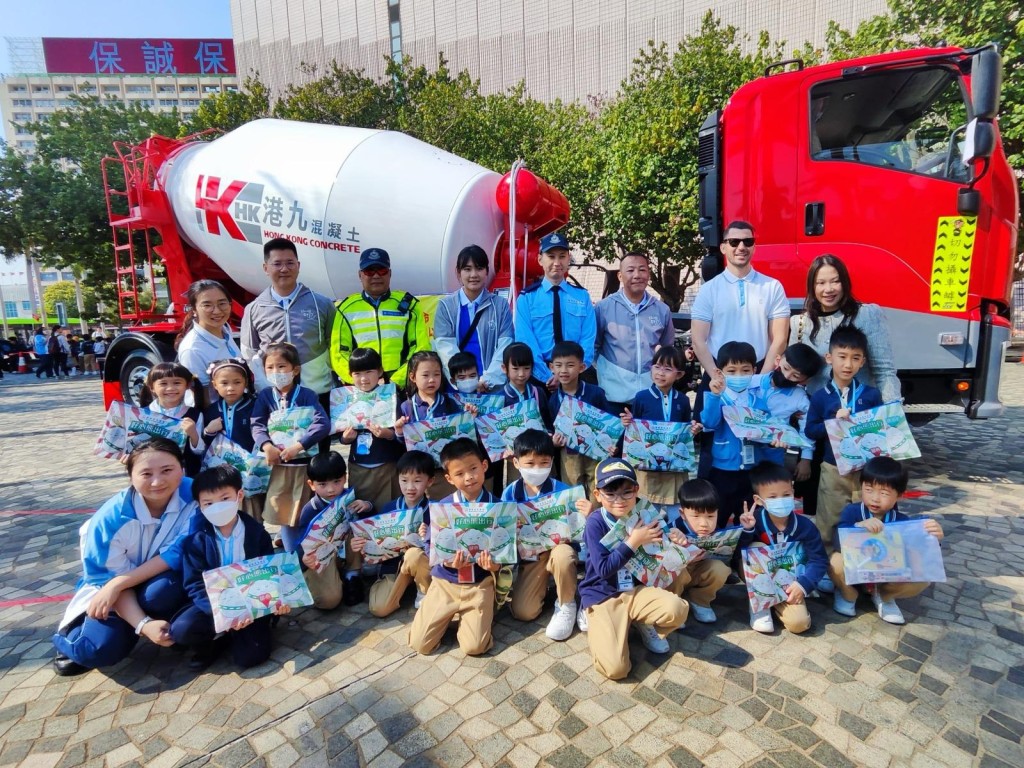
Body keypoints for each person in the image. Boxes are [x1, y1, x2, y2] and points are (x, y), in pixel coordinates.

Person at [52, 438, 198, 676]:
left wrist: (119, 583)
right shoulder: (109, 520)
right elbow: (106, 578)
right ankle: (68, 642)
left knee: (162, 592)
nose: (158, 481)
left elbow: (177, 553)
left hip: (150, 577)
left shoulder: (193, 494)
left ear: (182, 468)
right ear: (131, 476)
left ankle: (171, 623)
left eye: (167, 470)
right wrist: (143, 624)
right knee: (100, 649)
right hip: (110, 588)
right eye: (146, 473)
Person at [690, 221, 790, 476]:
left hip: (758, 371)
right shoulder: (709, 289)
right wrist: (717, 377)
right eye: (734, 242)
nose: (741, 247)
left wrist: (760, 379)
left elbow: (779, 338)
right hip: (718, 374)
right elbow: (699, 339)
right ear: (723, 247)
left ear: (754, 247)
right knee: (711, 443)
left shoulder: (772, 286)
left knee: (762, 442)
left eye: (748, 241)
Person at [578, 458, 689, 680]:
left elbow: (663, 554)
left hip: (638, 589)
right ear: (598, 494)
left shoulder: (646, 513)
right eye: (610, 494)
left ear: (636, 490)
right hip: (604, 594)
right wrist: (632, 542)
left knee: (677, 609)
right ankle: (596, 618)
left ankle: (642, 621)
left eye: (627, 492)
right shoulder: (595, 522)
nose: (619, 500)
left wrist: (677, 538)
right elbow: (602, 570)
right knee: (616, 670)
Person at [170, 465, 285, 669]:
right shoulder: (195, 541)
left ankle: (247, 634)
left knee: (250, 658)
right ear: (200, 506)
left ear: (239, 495)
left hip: (252, 605)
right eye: (208, 502)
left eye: (225, 499)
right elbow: (194, 584)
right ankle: (215, 641)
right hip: (215, 607)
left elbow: (268, 573)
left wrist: (274, 603)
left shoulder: (257, 533)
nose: (218, 507)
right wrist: (225, 614)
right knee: (182, 629)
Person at [408, 438, 501, 657]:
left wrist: (494, 565)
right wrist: (446, 560)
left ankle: (479, 615)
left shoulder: (499, 508)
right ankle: (444, 612)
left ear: (484, 466)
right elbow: (432, 547)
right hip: (445, 582)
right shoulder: (441, 509)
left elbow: (505, 552)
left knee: (475, 647)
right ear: (449, 478)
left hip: (479, 583)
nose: (469, 477)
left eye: (473, 469)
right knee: (420, 645)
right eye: (459, 474)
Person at [805, 326, 885, 566]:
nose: (848, 364)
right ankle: (829, 567)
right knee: (829, 519)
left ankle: (865, 565)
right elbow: (811, 430)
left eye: (855, 358)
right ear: (829, 358)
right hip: (832, 468)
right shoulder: (820, 396)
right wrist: (833, 424)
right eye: (842, 356)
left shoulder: (871, 395)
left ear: (863, 362)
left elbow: (881, 431)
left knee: (866, 515)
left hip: (865, 470)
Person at [830, 457, 943, 625]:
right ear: (861, 487)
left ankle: (885, 596)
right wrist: (857, 527)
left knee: (922, 576)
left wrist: (934, 538)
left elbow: (917, 550)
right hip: (856, 573)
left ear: (900, 495)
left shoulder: (902, 521)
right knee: (834, 561)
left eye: (884, 493)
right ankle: (848, 594)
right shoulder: (852, 511)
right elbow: (837, 540)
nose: (875, 498)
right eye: (869, 489)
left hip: (886, 576)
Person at [502, 430, 589, 641]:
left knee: (562, 555)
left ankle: (567, 603)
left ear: (551, 462)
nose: (537, 469)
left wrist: (588, 515)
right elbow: (503, 534)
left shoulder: (563, 491)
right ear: (516, 462)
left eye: (544, 462)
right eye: (530, 463)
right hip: (532, 557)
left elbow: (579, 534)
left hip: (558, 549)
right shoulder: (510, 493)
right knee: (523, 612)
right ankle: (550, 583)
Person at [251, 342, 331, 551]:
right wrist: (266, 445)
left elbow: (322, 423)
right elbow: (257, 423)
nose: (276, 372)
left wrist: (299, 446)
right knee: (285, 514)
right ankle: (291, 553)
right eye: (270, 367)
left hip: (303, 465)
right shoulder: (265, 396)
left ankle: (310, 549)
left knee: (304, 510)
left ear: (295, 370)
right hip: (278, 467)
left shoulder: (307, 395)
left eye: (282, 367)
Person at [240, 238, 336, 409]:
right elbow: (250, 352)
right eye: (277, 264)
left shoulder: (321, 303)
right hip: (274, 398)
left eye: (290, 263)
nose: (284, 269)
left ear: (298, 265)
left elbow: (333, 344)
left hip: (316, 393)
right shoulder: (254, 308)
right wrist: (264, 383)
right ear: (266, 268)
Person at [791, 254, 900, 402]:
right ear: (812, 287)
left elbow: (884, 371)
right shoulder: (800, 322)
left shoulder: (867, 315)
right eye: (821, 283)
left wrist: (892, 412)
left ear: (845, 283)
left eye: (835, 281)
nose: (828, 289)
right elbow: (792, 371)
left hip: (860, 409)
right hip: (817, 410)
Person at [743, 462, 829, 634]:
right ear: (758, 500)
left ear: (793, 493)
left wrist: (803, 585)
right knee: (754, 547)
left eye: (786, 494)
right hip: (760, 581)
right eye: (773, 497)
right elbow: (737, 554)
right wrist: (747, 530)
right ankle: (760, 606)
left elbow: (819, 560)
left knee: (799, 624)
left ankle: (778, 603)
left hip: (790, 582)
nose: (780, 500)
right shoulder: (756, 521)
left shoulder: (806, 526)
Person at [332, 247, 428, 390]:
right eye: (370, 271)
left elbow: (420, 348)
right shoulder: (345, 309)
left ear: (390, 273)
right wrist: (362, 380)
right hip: (361, 389)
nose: (376, 276)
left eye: (381, 270)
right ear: (360, 275)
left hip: (402, 387)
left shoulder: (409, 305)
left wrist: (398, 381)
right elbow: (338, 353)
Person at [620, 346, 703, 507]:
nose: (660, 373)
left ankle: (675, 532)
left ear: (679, 374)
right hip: (647, 466)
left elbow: (684, 434)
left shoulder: (683, 400)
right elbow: (635, 431)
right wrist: (628, 423)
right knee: (646, 509)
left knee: (675, 509)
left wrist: (692, 430)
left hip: (674, 467)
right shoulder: (642, 397)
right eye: (657, 367)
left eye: (667, 369)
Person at [514, 232, 597, 389]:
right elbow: (526, 340)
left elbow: (588, 337)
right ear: (540, 259)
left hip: (577, 378)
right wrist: (547, 375)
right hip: (541, 379)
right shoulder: (526, 298)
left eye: (562, 256)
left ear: (568, 259)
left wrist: (572, 372)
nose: (557, 262)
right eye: (551, 256)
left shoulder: (582, 296)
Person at [594, 252, 676, 410]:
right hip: (613, 395)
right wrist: (608, 371)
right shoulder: (603, 308)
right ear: (620, 276)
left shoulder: (662, 310)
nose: (637, 275)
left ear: (648, 274)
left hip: (651, 394)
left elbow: (667, 349)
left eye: (642, 270)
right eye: (630, 270)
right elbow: (594, 346)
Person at [292, 452, 371, 609]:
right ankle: (319, 582)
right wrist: (305, 559)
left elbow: (369, 518)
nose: (331, 489)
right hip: (325, 558)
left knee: (354, 528)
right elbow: (301, 544)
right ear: (311, 484)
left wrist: (367, 505)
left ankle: (352, 575)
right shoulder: (310, 510)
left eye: (337, 481)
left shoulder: (349, 497)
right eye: (322, 484)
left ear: (345, 477)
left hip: (348, 552)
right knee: (329, 601)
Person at [394, 350, 476, 500]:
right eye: (425, 375)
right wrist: (399, 431)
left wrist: (468, 419)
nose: (432, 380)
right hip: (419, 474)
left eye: (436, 374)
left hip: (445, 472)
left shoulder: (452, 403)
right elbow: (403, 442)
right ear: (413, 377)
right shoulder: (407, 407)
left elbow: (462, 436)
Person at [433, 244, 514, 392]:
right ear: (458, 273)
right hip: (457, 390)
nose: (474, 275)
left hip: (491, 389)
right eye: (467, 269)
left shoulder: (500, 305)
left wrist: (487, 381)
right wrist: (465, 382)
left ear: (487, 272)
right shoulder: (446, 306)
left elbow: (505, 347)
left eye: (479, 268)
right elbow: (444, 348)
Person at [363, 450, 435, 617]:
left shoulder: (435, 510)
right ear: (398, 479)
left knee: (414, 555)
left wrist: (428, 537)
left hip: (422, 565)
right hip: (394, 568)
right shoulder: (389, 508)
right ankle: (399, 587)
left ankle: (424, 589)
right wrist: (366, 546)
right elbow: (377, 545)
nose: (410, 487)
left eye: (417, 481)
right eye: (404, 480)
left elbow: (441, 547)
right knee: (379, 609)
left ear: (430, 481)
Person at [667, 479, 747, 623]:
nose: (704, 523)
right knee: (677, 571)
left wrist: (747, 529)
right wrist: (672, 542)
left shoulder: (715, 531)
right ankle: (674, 605)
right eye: (696, 516)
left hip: (698, 572)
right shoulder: (672, 529)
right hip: (675, 579)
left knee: (721, 569)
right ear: (682, 513)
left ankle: (700, 600)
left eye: (710, 516)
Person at [699, 341, 758, 529]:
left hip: (750, 471)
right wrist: (714, 396)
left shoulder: (758, 399)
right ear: (720, 372)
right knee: (718, 516)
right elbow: (709, 422)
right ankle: (716, 554)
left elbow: (766, 429)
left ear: (754, 371)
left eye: (745, 370)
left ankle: (742, 554)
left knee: (747, 516)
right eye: (732, 371)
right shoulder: (717, 396)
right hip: (721, 470)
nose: (739, 376)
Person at [336, 348, 404, 511]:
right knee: (361, 512)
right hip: (359, 466)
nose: (364, 378)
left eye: (369, 372)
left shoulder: (392, 396)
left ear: (380, 371)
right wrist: (346, 438)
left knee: (389, 510)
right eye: (357, 373)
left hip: (388, 465)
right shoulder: (345, 399)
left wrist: (389, 434)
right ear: (350, 374)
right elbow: (339, 433)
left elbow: (402, 434)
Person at [199, 358, 264, 522]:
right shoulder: (211, 411)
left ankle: (254, 539)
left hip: (249, 469)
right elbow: (203, 444)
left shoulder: (255, 406)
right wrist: (208, 431)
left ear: (246, 382)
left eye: (237, 382)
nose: (230, 388)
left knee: (252, 510)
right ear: (214, 384)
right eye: (224, 383)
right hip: (222, 473)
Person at [744, 343, 823, 474]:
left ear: (805, 381)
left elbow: (807, 427)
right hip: (742, 447)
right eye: (786, 368)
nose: (787, 376)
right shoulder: (751, 382)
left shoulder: (799, 398)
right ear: (778, 359)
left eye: (795, 376)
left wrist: (806, 459)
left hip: (774, 450)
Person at [549, 341, 615, 497]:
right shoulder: (553, 400)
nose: (564, 370)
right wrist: (554, 442)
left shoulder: (595, 393)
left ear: (582, 367)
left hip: (596, 453)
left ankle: (596, 519)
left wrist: (612, 443)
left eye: (570, 365)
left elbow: (609, 423)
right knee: (571, 492)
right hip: (569, 454)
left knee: (597, 489)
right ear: (552, 368)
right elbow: (551, 429)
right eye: (558, 365)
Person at [176, 280, 242, 403]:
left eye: (222, 303)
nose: (216, 311)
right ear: (194, 309)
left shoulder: (225, 331)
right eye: (207, 305)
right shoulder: (192, 349)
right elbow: (201, 397)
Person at [500, 342, 553, 485]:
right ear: (504, 368)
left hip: (540, 453)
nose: (521, 374)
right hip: (515, 457)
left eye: (526, 368)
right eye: (515, 368)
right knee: (517, 488)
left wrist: (549, 435)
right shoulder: (499, 397)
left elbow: (546, 421)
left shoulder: (538, 392)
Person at [139, 363, 206, 476]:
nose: (170, 388)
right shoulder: (142, 414)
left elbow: (199, 451)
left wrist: (193, 434)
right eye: (163, 383)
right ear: (152, 387)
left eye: (177, 383)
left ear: (187, 385)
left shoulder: (194, 414)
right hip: (151, 474)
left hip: (185, 475)